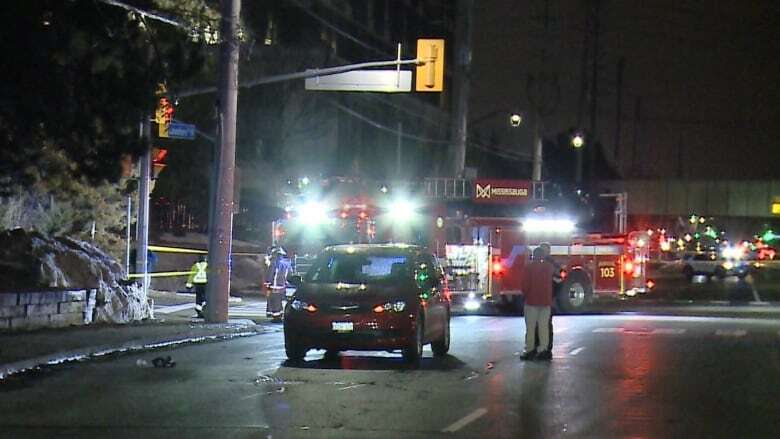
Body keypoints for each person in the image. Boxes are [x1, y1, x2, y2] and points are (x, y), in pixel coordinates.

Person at [520, 247, 554, 361]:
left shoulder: (529, 267)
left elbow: (525, 285)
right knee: (543, 327)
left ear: (533, 256)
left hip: (532, 302)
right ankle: (543, 349)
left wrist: (524, 296)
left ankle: (529, 350)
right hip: (546, 302)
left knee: (530, 327)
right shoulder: (549, 267)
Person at [265, 246, 291, 321]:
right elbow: (290, 274)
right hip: (283, 286)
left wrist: (268, 282)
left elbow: (271, 273)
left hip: (274, 286)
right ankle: (279, 315)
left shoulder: (274, 263)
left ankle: (276, 317)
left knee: (274, 301)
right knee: (280, 301)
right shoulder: (287, 263)